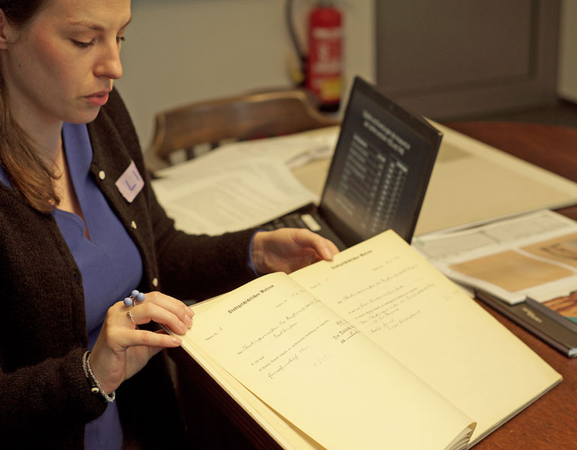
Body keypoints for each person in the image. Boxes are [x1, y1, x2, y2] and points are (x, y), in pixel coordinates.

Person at [0, 0, 339, 448]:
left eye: (120, 37)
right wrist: (91, 374)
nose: (114, 66)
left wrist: (254, 254)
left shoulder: (99, 117)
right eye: (84, 41)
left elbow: (154, 251)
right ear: (4, 25)